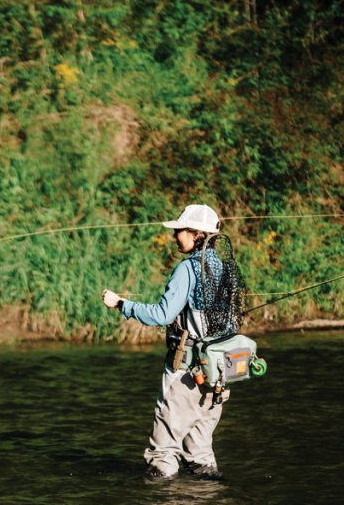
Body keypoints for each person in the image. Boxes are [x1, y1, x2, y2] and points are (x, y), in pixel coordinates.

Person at [102, 203, 243, 480]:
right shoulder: (226, 270)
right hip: (221, 375)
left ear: (196, 234)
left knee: (162, 456)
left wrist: (121, 303)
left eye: (180, 230)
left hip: (186, 376)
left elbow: (161, 315)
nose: (175, 235)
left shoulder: (187, 269)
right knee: (201, 456)